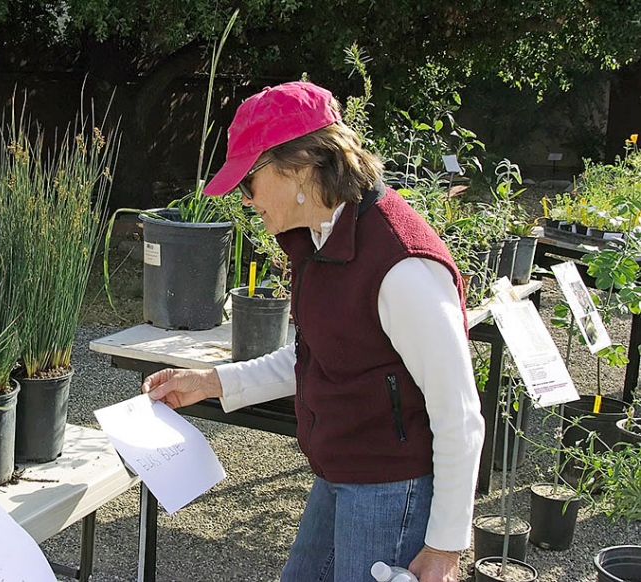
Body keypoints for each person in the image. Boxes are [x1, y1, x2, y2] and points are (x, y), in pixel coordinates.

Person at [141, 81, 484, 582]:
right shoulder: (319, 236)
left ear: (300, 165)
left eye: (248, 180)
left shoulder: (403, 267)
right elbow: (319, 356)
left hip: (392, 485)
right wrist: (213, 382)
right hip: (340, 472)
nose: (246, 199)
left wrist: (445, 548)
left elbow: (460, 412)